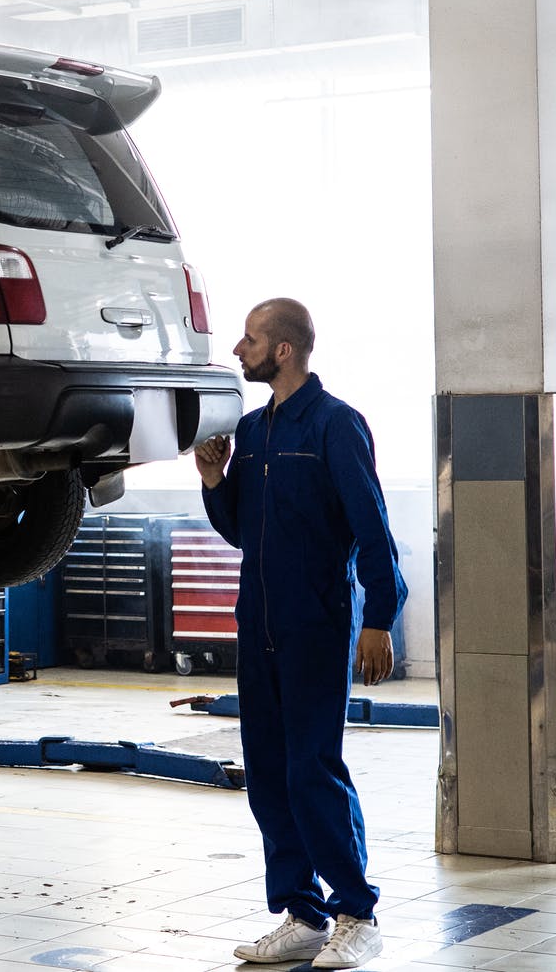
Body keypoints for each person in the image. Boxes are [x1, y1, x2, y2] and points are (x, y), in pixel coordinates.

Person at [194, 297, 406, 971]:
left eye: (250, 339)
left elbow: (372, 529)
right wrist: (212, 480)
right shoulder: (251, 431)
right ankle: (302, 911)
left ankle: (357, 912)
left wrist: (379, 618)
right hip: (256, 624)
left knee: (313, 768)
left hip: (316, 625)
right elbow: (241, 531)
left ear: (282, 349)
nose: (238, 348)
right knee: (269, 774)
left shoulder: (336, 426)